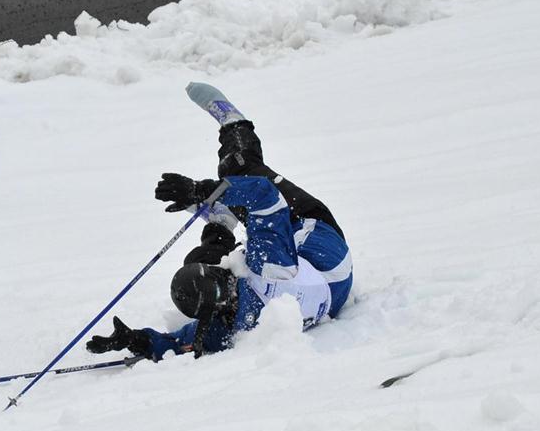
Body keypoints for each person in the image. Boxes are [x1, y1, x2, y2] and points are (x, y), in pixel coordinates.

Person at [85, 82, 353, 361]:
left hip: (330, 293)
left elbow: (178, 343)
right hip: (323, 250)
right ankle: (233, 123)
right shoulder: (267, 267)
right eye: (218, 272)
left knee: (232, 231)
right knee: (240, 169)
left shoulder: (231, 326)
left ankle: (221, 219)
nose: (223, 270)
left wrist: (137, 340)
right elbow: (264, 194)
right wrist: (203, 190)